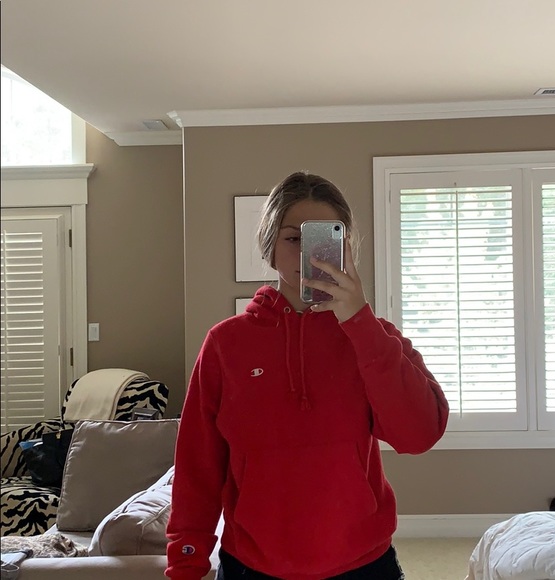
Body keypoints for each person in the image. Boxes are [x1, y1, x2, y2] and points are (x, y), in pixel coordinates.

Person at [166, 171, 449, 580]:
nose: (308, 255)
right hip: (252, 567)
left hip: (363, 565)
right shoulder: (226, 344)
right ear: (269, 247)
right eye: (293, 238)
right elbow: (198, 467)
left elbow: (419, 434)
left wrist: (360, 322)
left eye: (324, 239)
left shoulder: (375, 337)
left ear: (345, 248)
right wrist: (185, 563)